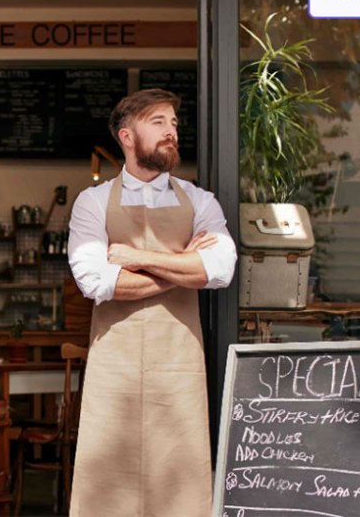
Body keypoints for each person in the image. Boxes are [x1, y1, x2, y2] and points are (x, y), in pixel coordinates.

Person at [67, 88, 236, 516]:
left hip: (178, 365)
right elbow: (96, 281)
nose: (171, 132)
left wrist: (138, 259)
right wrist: (183, 266)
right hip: (114, 368)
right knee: (105, 491)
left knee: (180, 490)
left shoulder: (201, 200)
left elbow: (220, 269)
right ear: (127, 136)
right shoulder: (92, 202)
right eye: (158, 122)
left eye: (174, 124)